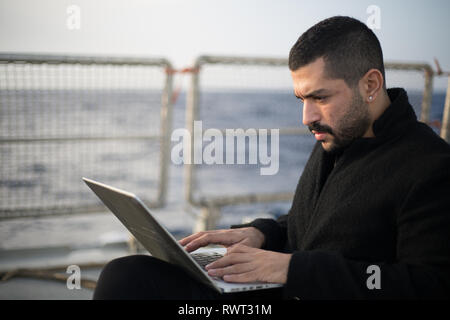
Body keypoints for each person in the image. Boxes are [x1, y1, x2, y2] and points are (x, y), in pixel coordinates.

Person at [93, 16, 450, 300]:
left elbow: (428, 285)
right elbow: (313, 226)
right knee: (129, 275)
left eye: (320, 97)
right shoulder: (336, 135)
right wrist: (262, 234)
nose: (306, 117)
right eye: (301, 99)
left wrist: (292, 271)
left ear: (370, 85)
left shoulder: (429, 166)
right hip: (274, 293)